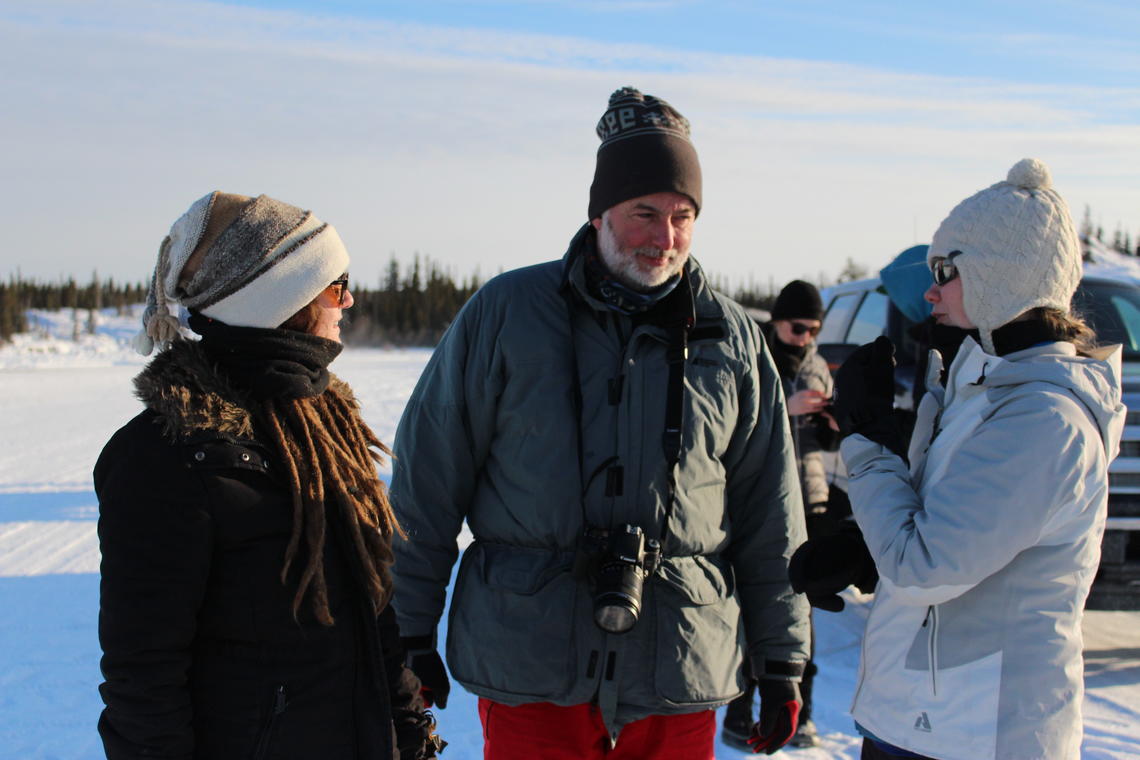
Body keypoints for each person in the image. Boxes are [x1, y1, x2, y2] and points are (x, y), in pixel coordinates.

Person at [389, 87, 811, 758]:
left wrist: (784, 659)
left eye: (682, 216)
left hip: (678, 663)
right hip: (532, 664)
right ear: (600, 215)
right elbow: (426, 485)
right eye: (644, 212)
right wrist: (405, 632)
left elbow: (771, 513)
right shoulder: (507, 314)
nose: (663, 237)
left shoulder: (731, 339)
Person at [95, 192, 444, 760]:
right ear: (283, 298)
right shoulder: (168, 455)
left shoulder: (329, 427)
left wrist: (408, 729)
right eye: (336, 285)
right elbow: (144, 677)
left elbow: (372, 613)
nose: (349, 299)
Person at [818, 158, 1125, 759]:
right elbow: (948, 531)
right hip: (922, 719)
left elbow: (926, 564)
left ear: (1001, 276)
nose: (930, 290)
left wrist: (866, 440)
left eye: (946, 270)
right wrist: (864, 546)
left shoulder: (1043, 419)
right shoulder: (979, 388)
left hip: (983, 736)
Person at [722, 280, 834, 750]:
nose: (805, 337)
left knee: (799, 608)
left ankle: (800, 712)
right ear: (777, 321)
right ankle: (737, 710)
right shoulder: (751, 358)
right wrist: (783, 410)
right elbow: (737, 429)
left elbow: (825, 444)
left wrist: (833, 425)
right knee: (752, 608)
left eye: (814, 329)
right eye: (798, 327)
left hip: (808, 498)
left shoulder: (817, 366)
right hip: (755, 498)